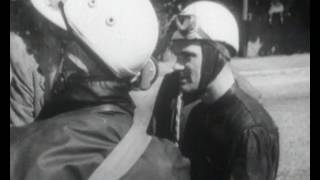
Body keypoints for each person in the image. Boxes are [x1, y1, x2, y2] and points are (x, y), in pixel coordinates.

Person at [10, 0, 190, 180]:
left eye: (49, 43)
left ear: (75, 59)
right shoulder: (168, 165)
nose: (35, 55)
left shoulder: (19, 154)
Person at [159, 1, 279, 180]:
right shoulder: (197, 114)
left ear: (220, 55)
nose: (177, 66)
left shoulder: (251, 129)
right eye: (178, 56)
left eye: (188, 56)